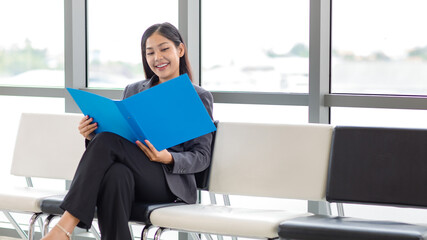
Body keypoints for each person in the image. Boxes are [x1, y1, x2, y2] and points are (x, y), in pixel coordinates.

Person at [42, 22, 214, 240]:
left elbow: (201, 157)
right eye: (150, 52)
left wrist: (167, 157)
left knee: (107, 143)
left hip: (168, 183)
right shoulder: (133, 90)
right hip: (133, 173)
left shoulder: (197, 96)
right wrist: (91, 134)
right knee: (116, 175)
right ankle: (66, 230)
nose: (157, 58)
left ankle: (64, 227)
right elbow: (121, 137)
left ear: (180, 50)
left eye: (164, 49)